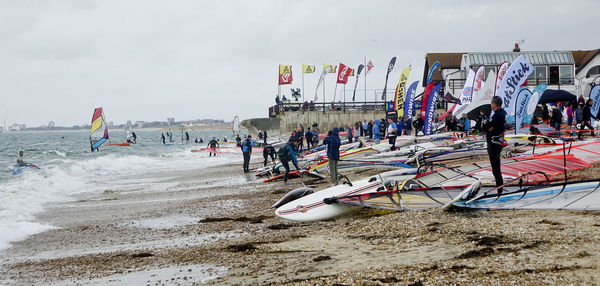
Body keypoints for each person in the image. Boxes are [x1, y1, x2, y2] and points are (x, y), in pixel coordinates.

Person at [482, 96, 507, 194]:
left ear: (495, 104)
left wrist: (489, 127)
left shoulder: (498, 115)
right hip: (494, 143)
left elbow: (485, 126)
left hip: (494, 144)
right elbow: (486, 127)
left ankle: (500, 190)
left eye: (491, 103)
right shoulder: (499, 114)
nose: (491, 105)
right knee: (495, 168)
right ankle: (499, 188)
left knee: (496, 168)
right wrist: (488, 127)